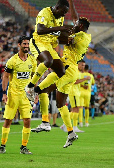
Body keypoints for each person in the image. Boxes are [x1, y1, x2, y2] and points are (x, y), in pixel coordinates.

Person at [33, 9, 91, 148]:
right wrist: (71, 1)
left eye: (76, 24)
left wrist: (55, 31)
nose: (73, 24)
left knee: (44, 89)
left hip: (68, 70)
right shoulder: (81, 32)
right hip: (69, 70)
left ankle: (45, 122)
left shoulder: (83, 38)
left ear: (81, 27)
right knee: (60, 104)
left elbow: (64, 38)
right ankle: (71, 133)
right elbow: (75, 20)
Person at [27, 0, 77, 92]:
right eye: (63, 12)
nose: (63, 15)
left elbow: (58, 34)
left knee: (61, 72)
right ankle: (30, 86)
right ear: (57, 8)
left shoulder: (60, 17)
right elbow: (40, 30)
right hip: (38, 42)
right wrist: (60, 28)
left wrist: (68, 39)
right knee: (48, 61)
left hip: (49, 46)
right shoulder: (45, 12)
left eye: (65, 13)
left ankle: (40, 91)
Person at [0, 36, 37, 155]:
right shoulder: (12, 60)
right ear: (19, 45)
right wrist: (4, 93)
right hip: (13, 94)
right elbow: (5, 76)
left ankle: (23, 147)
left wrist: (36, 93)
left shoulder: (32, 60)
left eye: (28, 44)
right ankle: (2, 145)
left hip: (26, 95)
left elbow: (35, 77)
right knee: (8, 120)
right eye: (24, 44)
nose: (26, 46)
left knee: (27, 121)